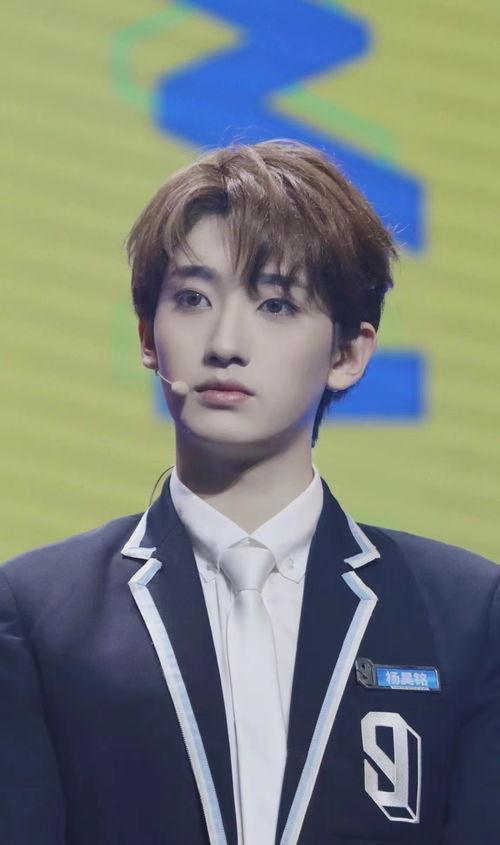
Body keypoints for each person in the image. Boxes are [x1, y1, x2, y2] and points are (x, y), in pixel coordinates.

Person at [0, 140, 499, 845]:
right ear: (147, 335)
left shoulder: (467, 614)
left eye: (275, 304)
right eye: (193, 299)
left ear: (349, 353)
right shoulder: (38, 613)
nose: (225, 342)